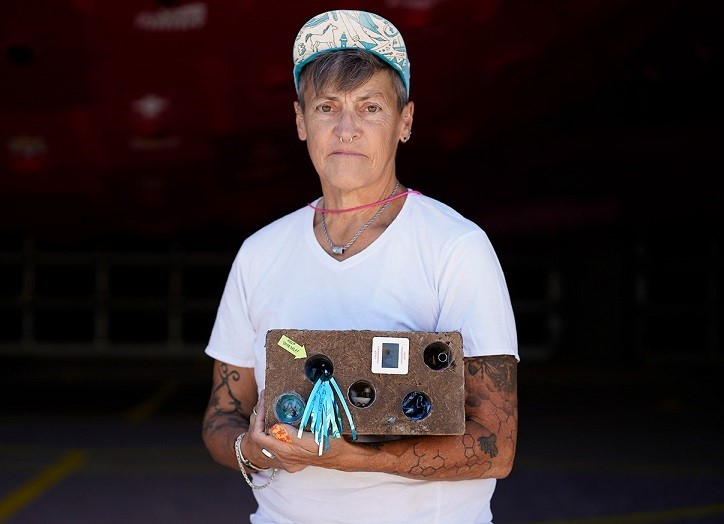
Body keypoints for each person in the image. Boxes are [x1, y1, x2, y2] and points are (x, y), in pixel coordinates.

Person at [202, 9, 519, 524]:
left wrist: (347, 458)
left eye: (369, 107)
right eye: (327, 107)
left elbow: (494, 446)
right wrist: (255, 448)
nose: (346, 128)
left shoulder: (456, 248)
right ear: (301, 121)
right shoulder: (259, 253)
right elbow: (222, 416)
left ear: (405, 121)